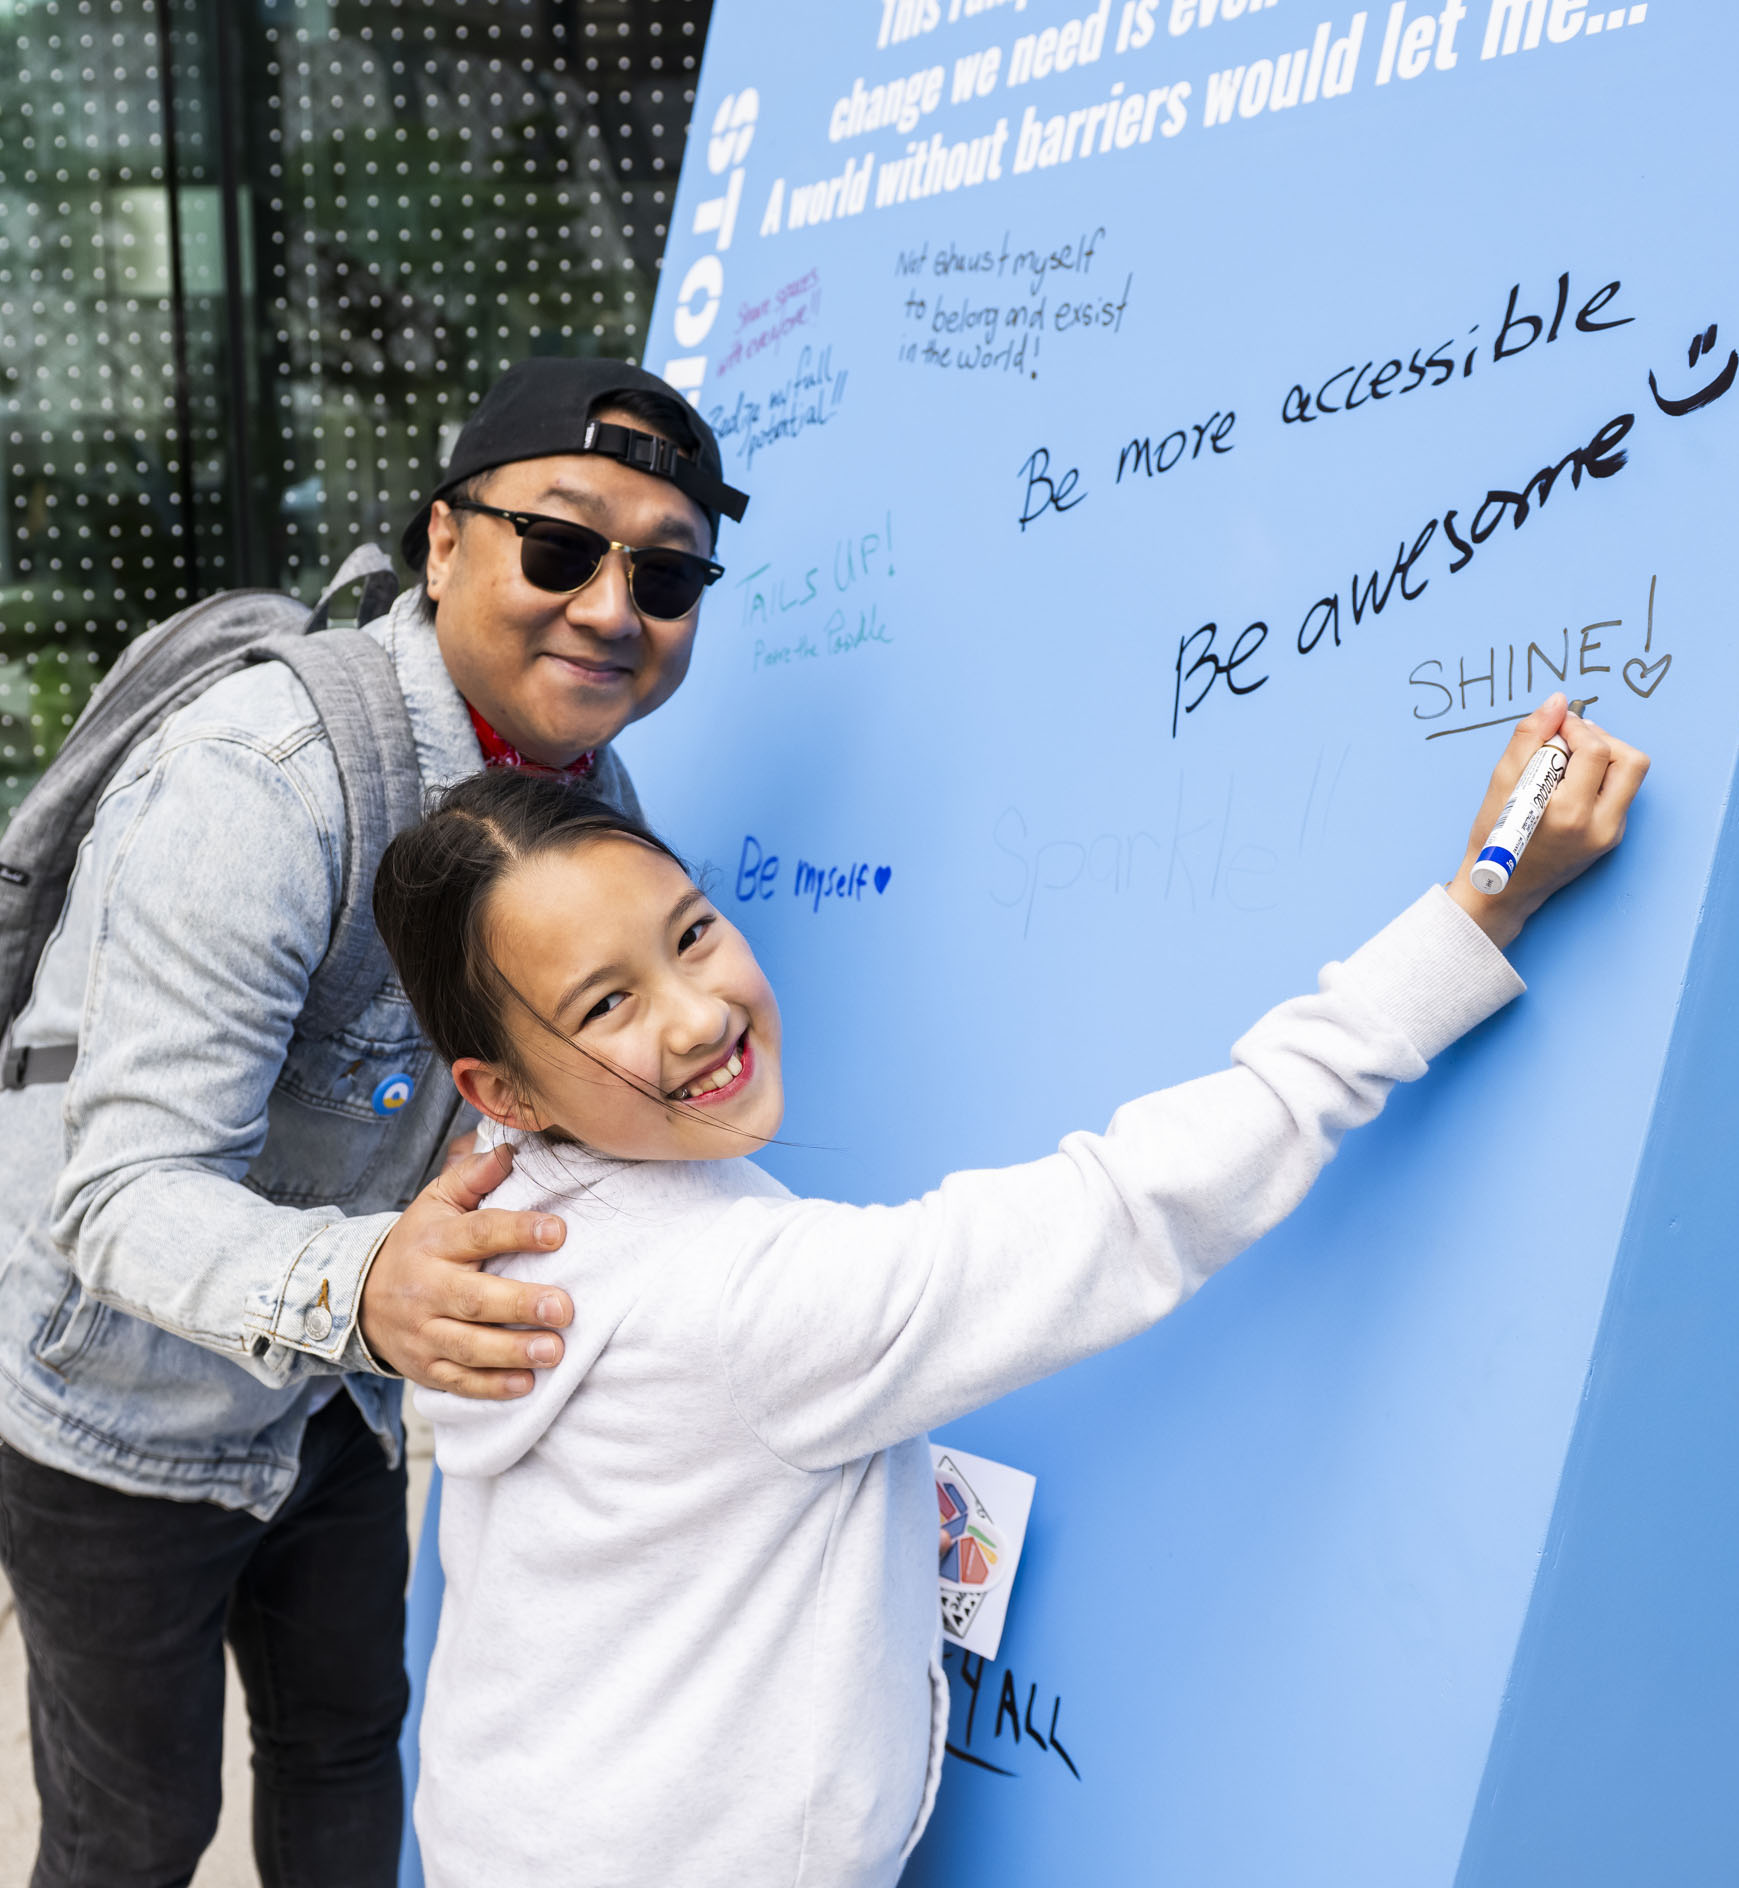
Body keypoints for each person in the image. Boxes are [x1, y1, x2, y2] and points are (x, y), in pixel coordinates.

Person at [373, 697, 1648, 1888]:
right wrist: (1473, 917)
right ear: (505, 1091)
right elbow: (1126, 1209)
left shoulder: (492, 1230)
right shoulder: (744, 1301)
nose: (699, 1012)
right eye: (608, 1002)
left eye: (691, 930)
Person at [0, 357, 746, 1888]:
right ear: (442, 542)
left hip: (337, 1400)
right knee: (136, 1828)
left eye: (665, 574)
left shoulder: (586, 792)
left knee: (349, 1759)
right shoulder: (257, 778)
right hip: (113, 1403)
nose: (612, 607)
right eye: (559, 544)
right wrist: (366, 1287)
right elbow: (123, 1190)